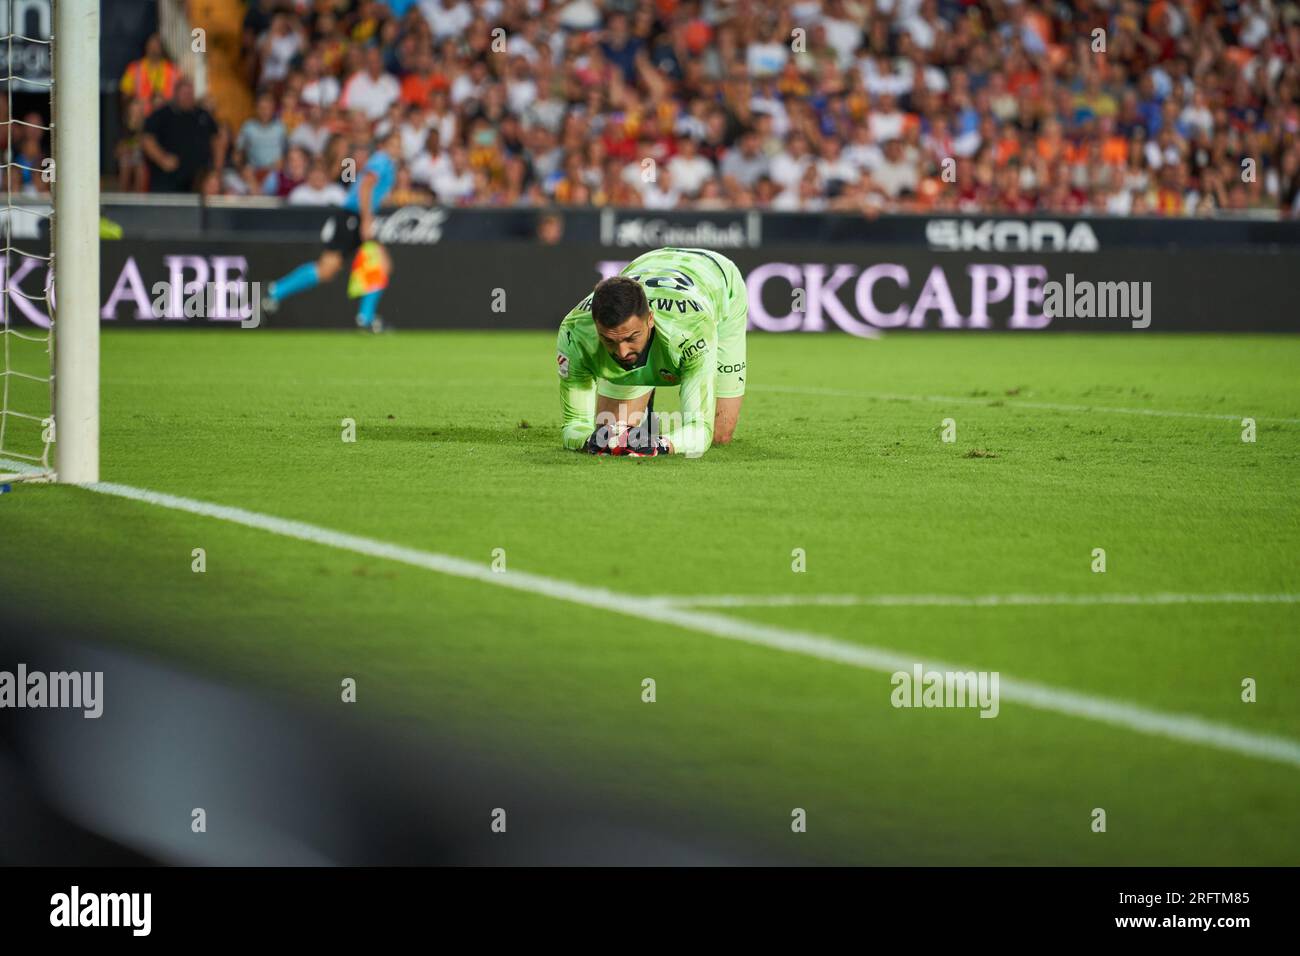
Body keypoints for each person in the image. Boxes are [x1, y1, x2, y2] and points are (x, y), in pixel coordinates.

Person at [555, 247, 747, 457]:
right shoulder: (575, 333)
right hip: (648, 264)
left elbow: (701, 431)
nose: (622, 352)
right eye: (609, 340)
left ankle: (646, 390)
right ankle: (644, 399)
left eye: (631, 338)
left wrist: (659, 445)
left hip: (718, 279)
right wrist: (589, 440)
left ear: (650, 320)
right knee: (608, 437)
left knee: (720, 434)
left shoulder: (691, 330)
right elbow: (573, 425)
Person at [261, 131, 402, 331]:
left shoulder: (383, 163)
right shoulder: (381, 161)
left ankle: (274, 291)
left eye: (399, 144)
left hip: (352, 217)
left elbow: (366, 187)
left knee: (330, 269)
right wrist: (366, 220)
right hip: (354, 218)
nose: (398, 148)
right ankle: (365, 319)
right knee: (376, 264)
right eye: (393, 144)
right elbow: (365, 188)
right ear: (382, 146)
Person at [140, 78, 219, 193]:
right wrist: (162, 159)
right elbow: (147, 139)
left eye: (190, 94)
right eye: (185, 94)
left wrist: (216, 169)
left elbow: (216, 140)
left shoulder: (203, 115)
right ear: (176, 94)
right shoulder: (162, 115)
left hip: (199, 179)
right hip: (168, 179)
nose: (188, 97)